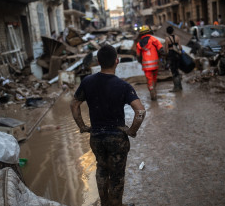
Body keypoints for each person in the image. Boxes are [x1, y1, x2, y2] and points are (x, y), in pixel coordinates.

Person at [70, 45, 145, 206]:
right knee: (117, 176)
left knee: (102, 170)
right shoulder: (123, 86)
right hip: (117, 138)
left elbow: (74, 105)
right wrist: (131, 131)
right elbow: (140, 112)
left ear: (98, 61)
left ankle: (105, 203)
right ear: (117, 61)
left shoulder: (87, 82)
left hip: (96, 136)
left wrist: (83, 126)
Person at [136, 25, 164, 101]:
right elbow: (161, 48)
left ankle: (152, 91)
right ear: (149, 32)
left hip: (146, 66)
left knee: (149, 79)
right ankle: (154, 89)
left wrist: (141, 62)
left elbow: (138, 56)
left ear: (141, 34)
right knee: (154, 78)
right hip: (155, 64)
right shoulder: (153, 39)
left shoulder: (139, 44)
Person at [165, 26, 183, 92]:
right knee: (177, 70)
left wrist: (166, 56)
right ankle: (180, 86)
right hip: (177, 55)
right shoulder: (177, 37)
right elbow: (180, 47)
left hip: (171, 55)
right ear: (173, 31)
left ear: (167, 32)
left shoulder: (167, 39)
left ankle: (176, 87)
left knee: (173, 70)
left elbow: (166, 49)